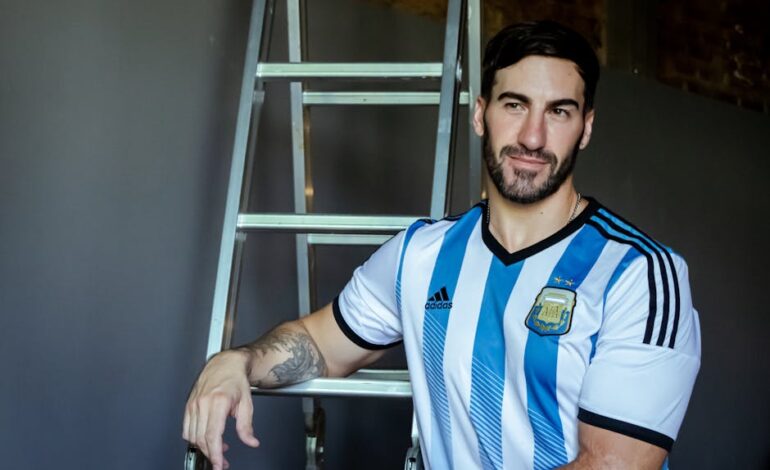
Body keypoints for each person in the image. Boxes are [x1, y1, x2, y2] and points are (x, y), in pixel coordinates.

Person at [183, 20, 701, 470]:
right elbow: (320, 346)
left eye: (559, 112)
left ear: (585, 129)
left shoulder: (640, 275)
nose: (534, 137)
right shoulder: (421, 254)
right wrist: (238, 362)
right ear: (480, 114)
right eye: (515, 105)